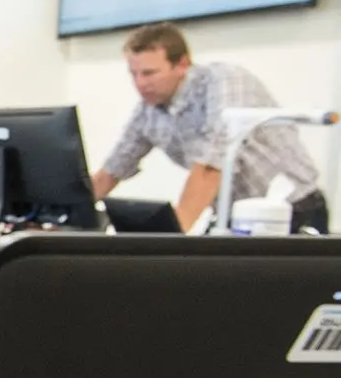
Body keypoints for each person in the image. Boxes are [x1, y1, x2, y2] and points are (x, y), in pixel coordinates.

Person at [92, 22, 326, 233]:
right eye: (134, 74)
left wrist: (172, 237)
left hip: (289, 207)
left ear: (182, 64)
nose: (141, 83)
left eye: (150, 73)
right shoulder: (149, 110)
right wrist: (70, 211)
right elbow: (113, 169)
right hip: (236, 215)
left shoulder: (224, 81)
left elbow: (211, 166)